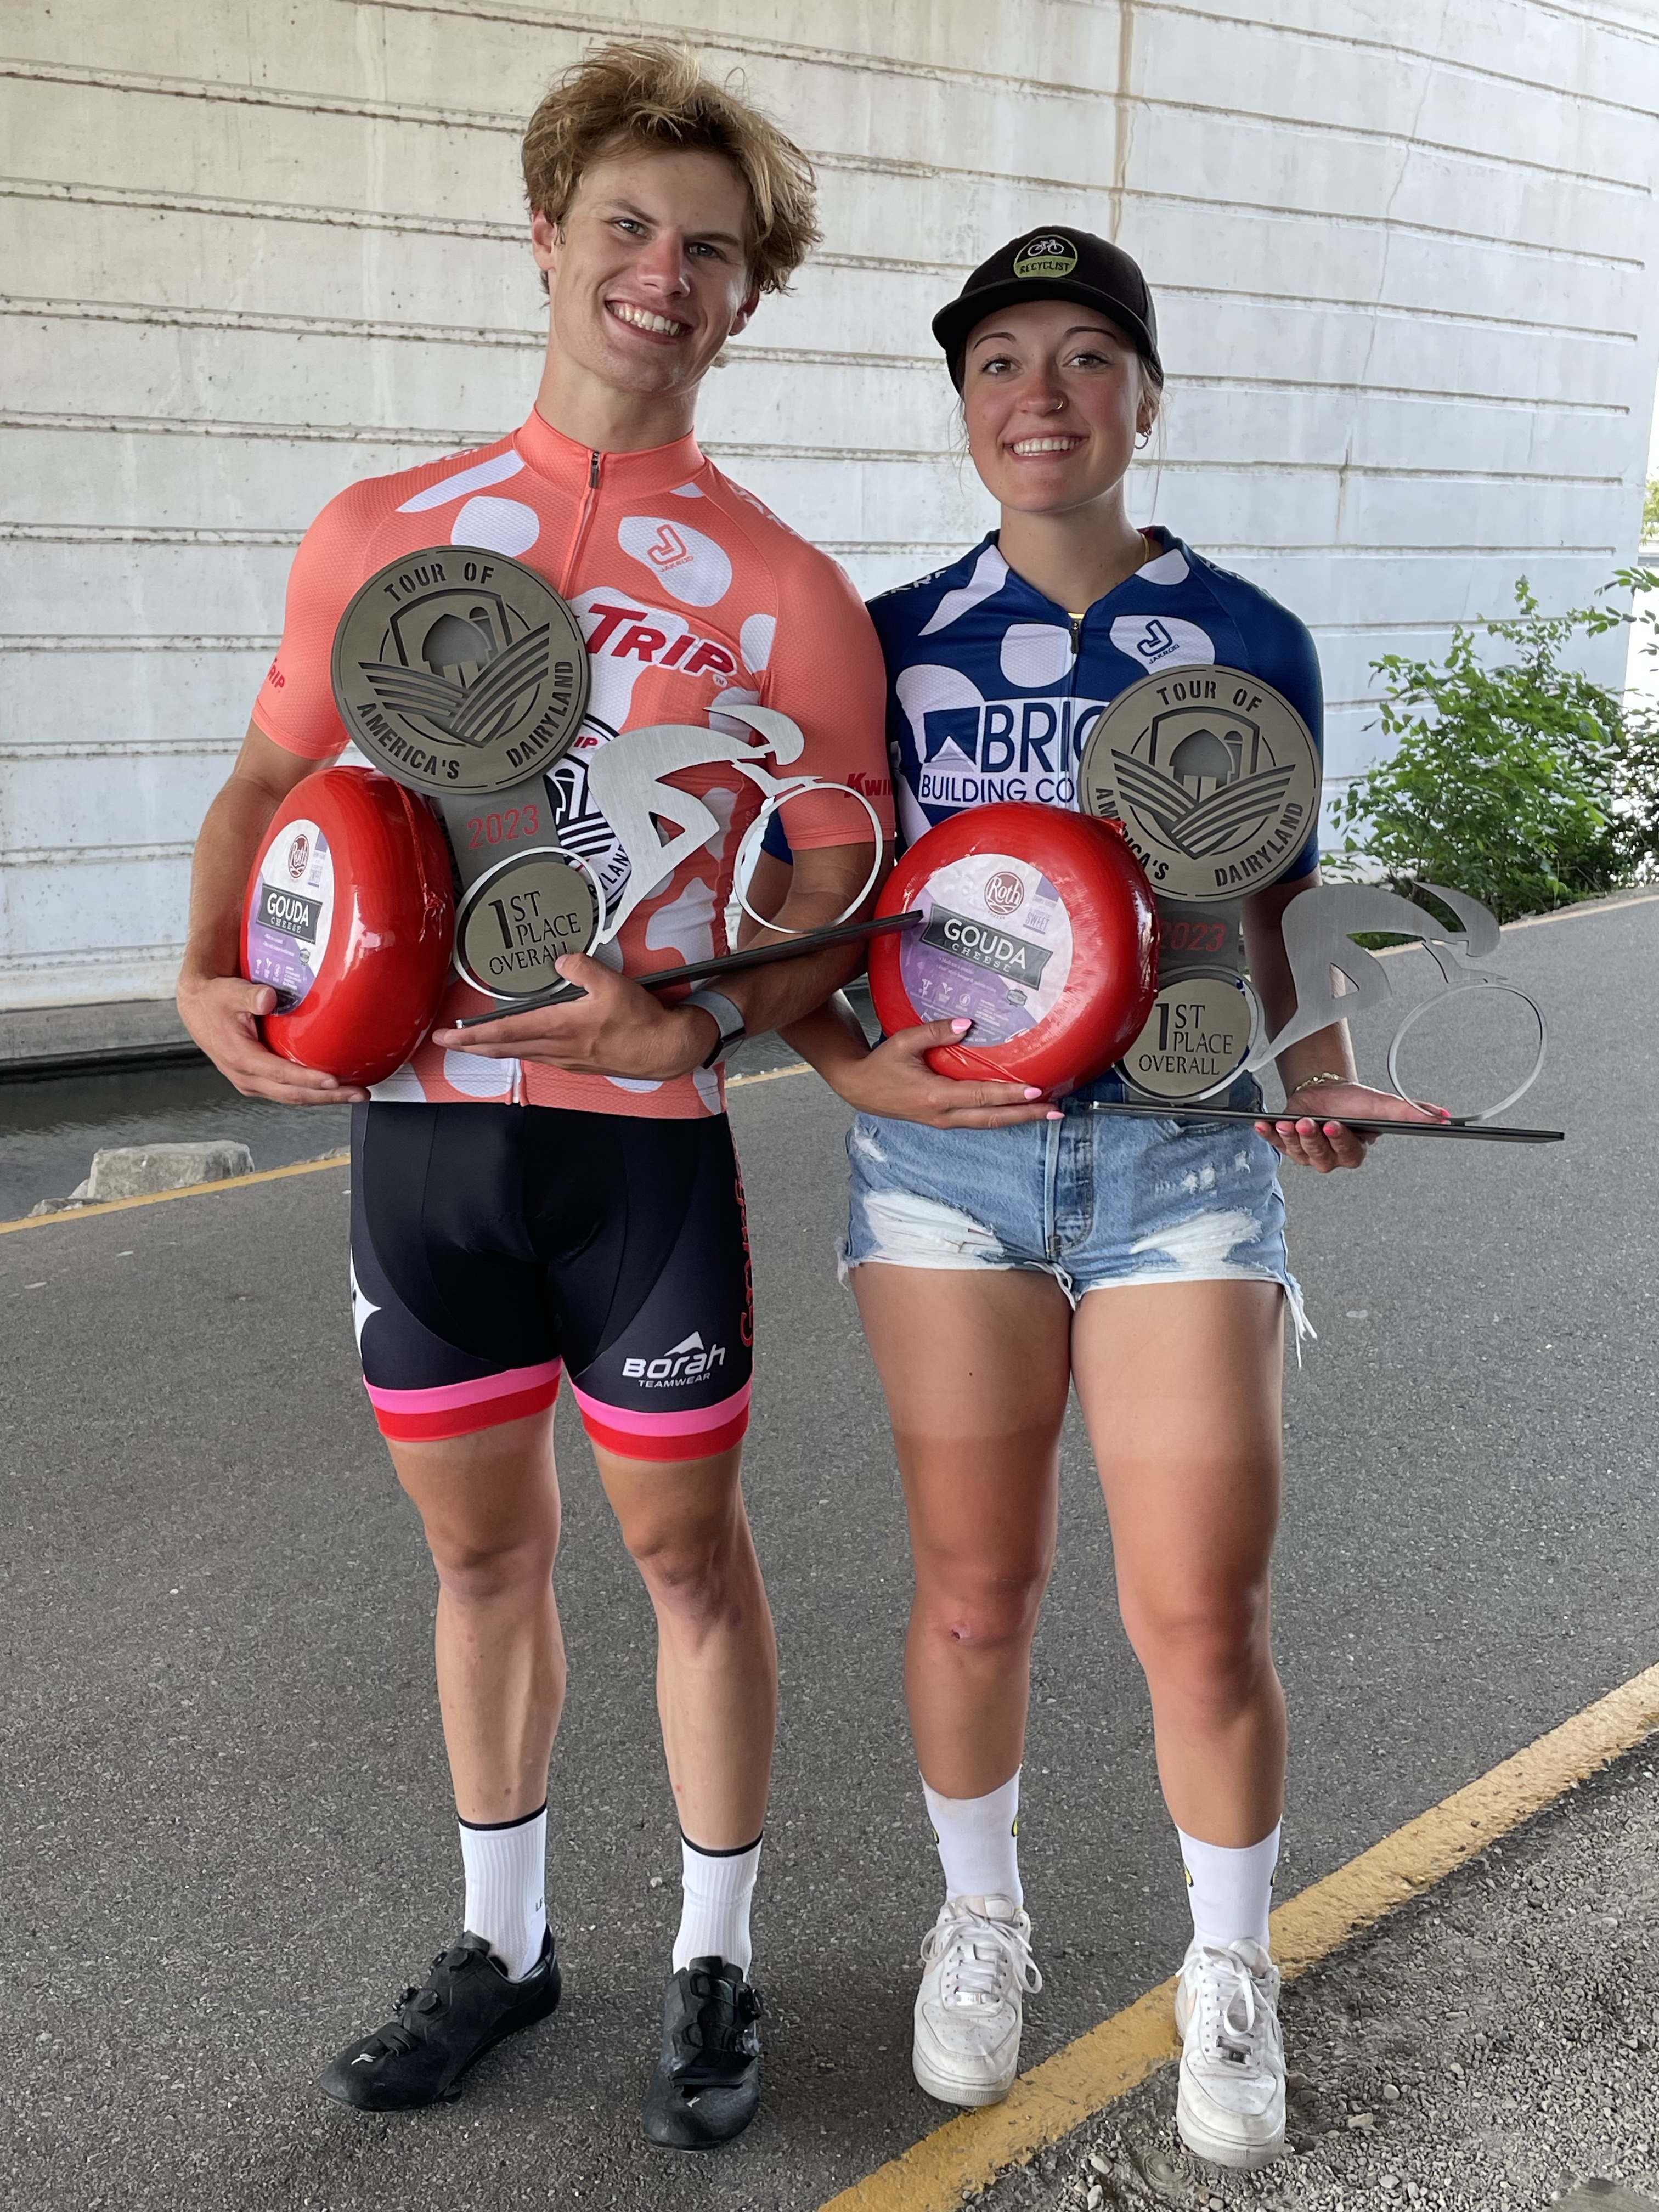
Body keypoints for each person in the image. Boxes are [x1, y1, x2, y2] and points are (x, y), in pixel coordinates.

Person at [176, 42, 890, 2148]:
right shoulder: (382, 531)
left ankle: (714, 1958)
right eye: (629, 227)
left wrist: (709, 1030)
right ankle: (503, 1944)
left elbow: (840, 885)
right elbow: (267, 777)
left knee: (687, 1562)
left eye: (713, 250)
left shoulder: (788, 590)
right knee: (480, 1564)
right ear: (550, 235)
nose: (664, 273)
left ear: (749, 296)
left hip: (639, 1161)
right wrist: (206, 963)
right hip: (425, 1141)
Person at [758, 229, 1440, 2169]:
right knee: (977, 1597)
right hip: (946, 1173)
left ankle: (1231, 1966)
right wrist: (843, 1066)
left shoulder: (1250, 635)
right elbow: (811, 906)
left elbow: (1270, 908)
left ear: (1147, 396)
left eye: (1082, 357)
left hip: (1183, 1168)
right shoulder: (884, 642)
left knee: (1201, 1616)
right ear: (962, 403)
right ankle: (981, 1919)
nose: (1038, 395)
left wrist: (1316, 1080)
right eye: (998, 361)